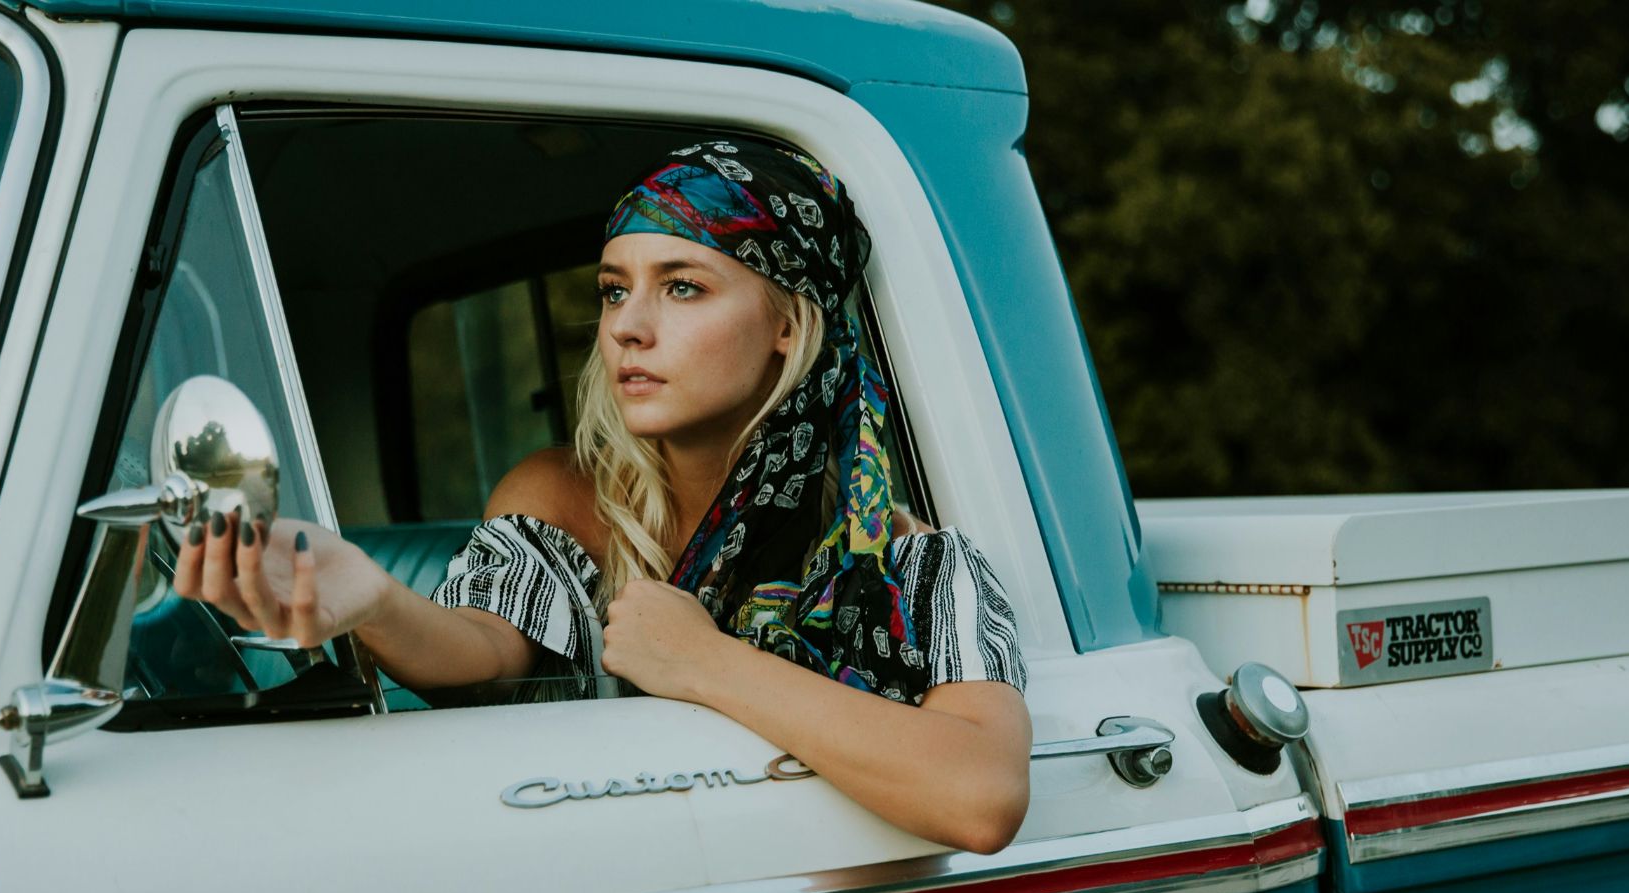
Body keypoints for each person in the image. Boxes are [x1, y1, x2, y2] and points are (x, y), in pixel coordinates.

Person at [173, 139, 1032, 854]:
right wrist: (374, 599)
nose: (626, 326)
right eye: (616, 289)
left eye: (683, 286)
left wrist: (704, 661)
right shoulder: (559, 495)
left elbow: (981, 798)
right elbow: (488, 649)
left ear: (787, 323)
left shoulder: (909, 563)